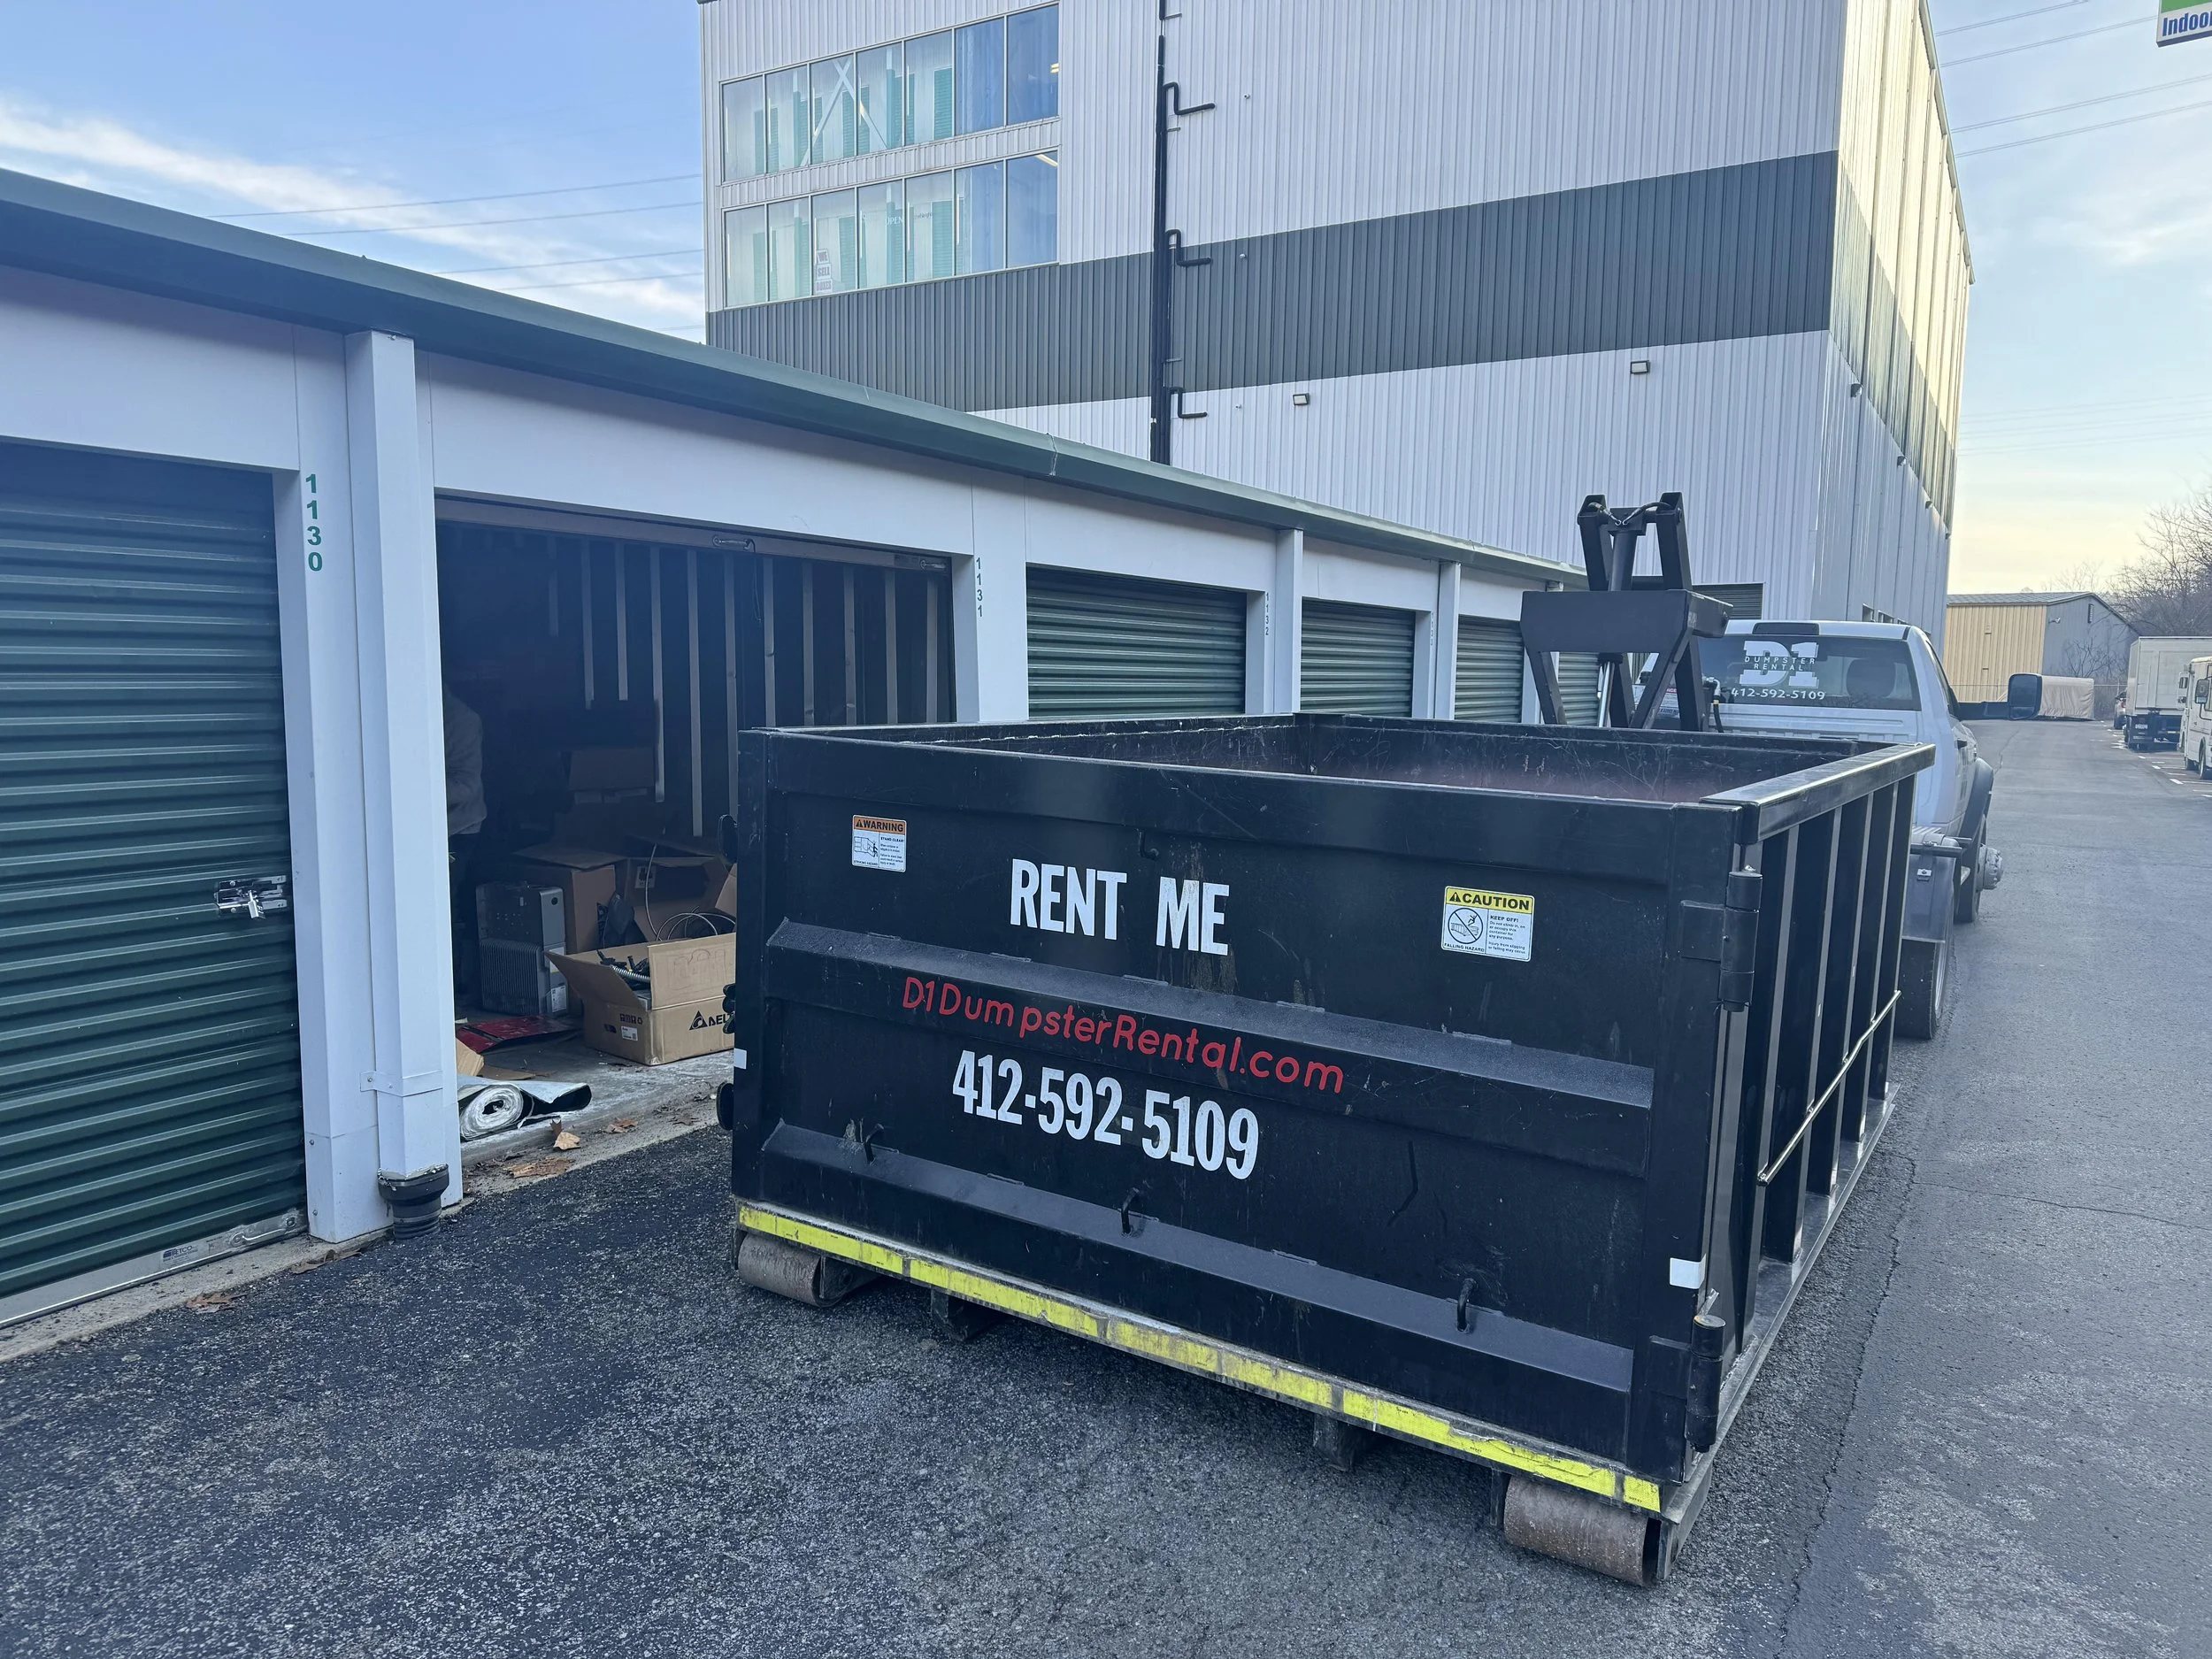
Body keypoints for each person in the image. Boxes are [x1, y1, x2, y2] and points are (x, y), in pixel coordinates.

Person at [445, 692, 486, 996]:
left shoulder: (462, 720)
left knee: (445, 907)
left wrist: (414, 786)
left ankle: (452, 994)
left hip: (458, 829)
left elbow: (466, 786)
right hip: (426, 828)